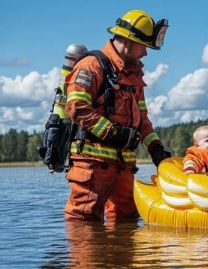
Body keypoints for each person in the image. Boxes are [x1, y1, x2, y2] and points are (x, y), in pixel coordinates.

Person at [64, 10, 171, 222]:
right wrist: (114, 134)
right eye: (143, 46)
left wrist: (156, 149)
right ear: (127, 41)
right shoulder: (91, 66)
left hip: (123, 167)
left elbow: (142, 119)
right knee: (84, 222)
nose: (146, 54)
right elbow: (77, 107)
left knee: (127, 221)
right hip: (92, 165)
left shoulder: (134, 75)